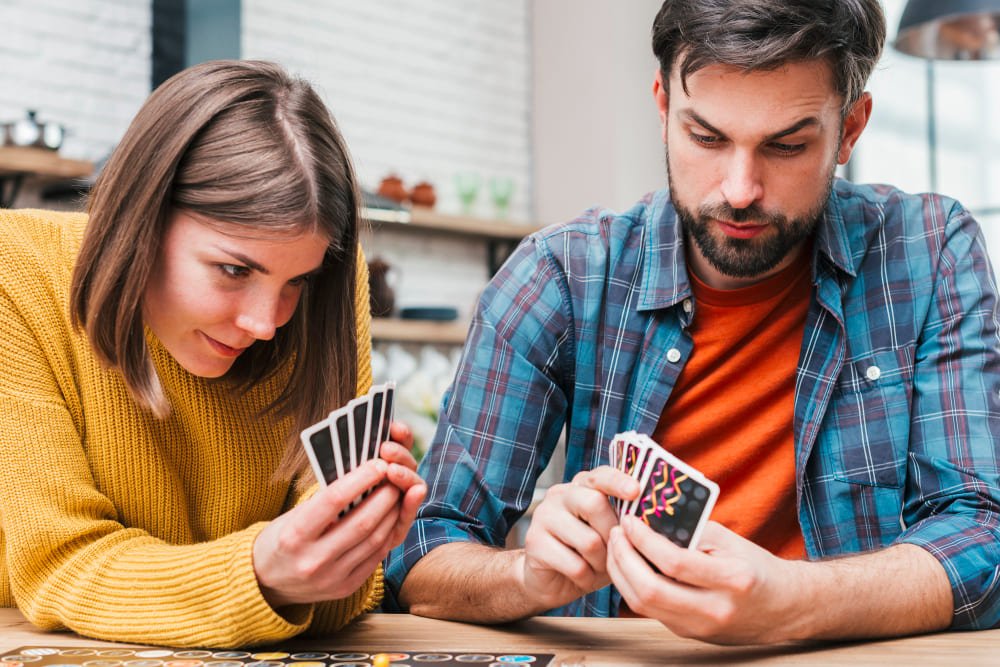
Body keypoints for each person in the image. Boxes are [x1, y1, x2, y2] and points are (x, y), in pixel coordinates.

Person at [385, 0, 1000, 644]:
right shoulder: (560, 274)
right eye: (706, 137)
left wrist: (791, 601)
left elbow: (982, 533)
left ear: (851, 128)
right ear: (661, 108)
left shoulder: (928, 250)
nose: (739, 189)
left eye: (787, 145)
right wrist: (527, 577)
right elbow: (424, 551)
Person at [0, 59, 426, 648]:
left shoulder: (325, 284)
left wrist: (354, 545)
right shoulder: (15, 271)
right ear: (141, 217)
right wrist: (260, 574)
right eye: (232, 269)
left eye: (293, 282)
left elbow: (337, 608)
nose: (264, 324)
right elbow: (58, 567)